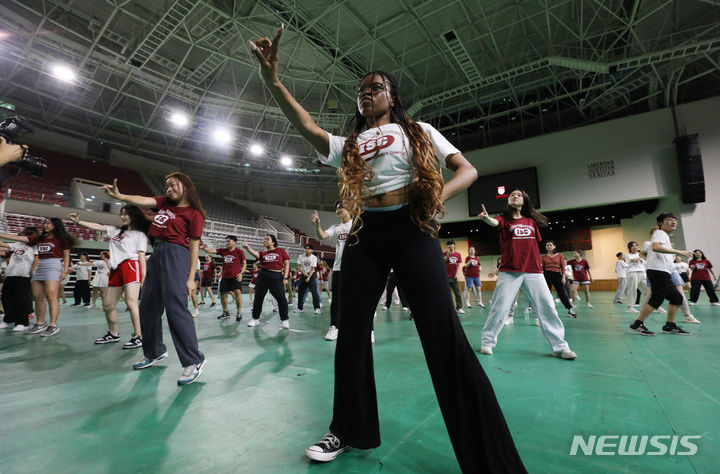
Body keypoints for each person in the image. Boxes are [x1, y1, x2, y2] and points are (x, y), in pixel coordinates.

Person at [251, 26, 525, 472]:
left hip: (411, 228)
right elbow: (307, 127)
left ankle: (489, 458)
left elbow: (468, 170)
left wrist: (437, 197)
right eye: (360, 90)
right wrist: (273, 82)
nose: (365, 94)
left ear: (392, 97)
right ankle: (348, 427)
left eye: (375, 88)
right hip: (364, 234)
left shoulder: (418, 130)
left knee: (443, 336)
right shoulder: (351, 144)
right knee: (351, 333)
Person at [103, 173, 207, 385]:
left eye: (172, 185)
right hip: (157, 253)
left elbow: (194, 247)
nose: (168, 189)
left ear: (185, 186)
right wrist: (121, 196)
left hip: (176, 254)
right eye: (166, 186)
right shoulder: (164, 204)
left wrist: (191, 278)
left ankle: (194, 360)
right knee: (147, 307)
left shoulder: (194, 214)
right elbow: (142, 200)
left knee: (175, 308)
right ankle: (154, 351)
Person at [478, 190, 577, 361]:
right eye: (511, 195)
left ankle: (560, 347)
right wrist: (487, 219)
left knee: (548, 307)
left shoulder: (531, 221)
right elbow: (494, 223)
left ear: (524, 200)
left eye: (518, 194)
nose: (514, 196)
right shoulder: (503, 219)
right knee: (499, 307)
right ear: (508, 201)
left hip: (533, 271)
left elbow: (532, 245)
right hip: (509, 271)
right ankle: (487, 342)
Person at [68, 207, 149, 348]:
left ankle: (139, 336)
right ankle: (113, 334)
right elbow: (99, 227)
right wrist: (79, 221)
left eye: (126, 214)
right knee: (107, 305)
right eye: (121, 214)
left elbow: (141, 257)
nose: (123, 217)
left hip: (131, 266)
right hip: (115, 268)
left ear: (134, 216)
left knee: (131, 303)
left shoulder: (139, 235)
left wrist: (144, 277)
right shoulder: (115, 231)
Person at [0, 218, 74, 336]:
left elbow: (66, 255)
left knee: (51, 296)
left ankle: (53, 325)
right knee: (37, 297)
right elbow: (17, 238)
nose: (45, 225)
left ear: (55, 225)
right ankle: (40, 323)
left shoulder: (62, 239)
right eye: (44, 223)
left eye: (48, 223)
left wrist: (65, 271)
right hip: (40, 266)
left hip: (53, 265)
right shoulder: (39, 238)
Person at [629, 213, 694, 335]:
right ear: (660, 223)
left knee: (677, 297)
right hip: (658, 271)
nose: (673, 222)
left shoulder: (665, 236)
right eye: (669, 220)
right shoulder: (660, 233)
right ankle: (637, 324)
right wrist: (679, 251)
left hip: (663, 272)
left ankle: (669, 326)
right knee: (657, 299)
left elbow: (654, 251)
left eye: (675, 220)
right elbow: (656, 247)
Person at [312, 201, 353, 341]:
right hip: (338, 268)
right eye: (336, 208)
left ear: (350, 208)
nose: (338, 210)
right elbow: (322, 236)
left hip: (356, 268)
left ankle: (367, 329)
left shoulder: (357, 225)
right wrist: (317, 224)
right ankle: (334, 327)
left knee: (359, 300)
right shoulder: (336, 228)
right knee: (336, 301)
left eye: (341, 207)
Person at [242, 234, 290, 328]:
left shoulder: (281, 251)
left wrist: (285, 277)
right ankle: (255, 319)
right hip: (263, 275)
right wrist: (248, 248)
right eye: (264, 239)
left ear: (273, 242)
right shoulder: (263, 253)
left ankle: (285, 319)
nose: (265, 240)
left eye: (267, 239)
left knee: (281, 299)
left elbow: (287, 264)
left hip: (276, 276)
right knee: (258, 298)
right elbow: (256, 254)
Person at [0, 227, 38, 332]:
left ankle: (22, 323)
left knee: (21, 300)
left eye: (23, 233)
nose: (19, 234)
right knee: (6, 298)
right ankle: (9, 320)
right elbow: (3, 244)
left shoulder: (35, 246)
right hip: (11, 274)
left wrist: (32, 271)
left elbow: (36, 259)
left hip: (23, 275)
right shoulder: (16, 244)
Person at [203, 235, 247, 321]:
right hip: (225, 277)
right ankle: (225, 312)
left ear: (234, 242)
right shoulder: (223, 251)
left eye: (229, 241)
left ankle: (239, 313)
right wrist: (203, 247)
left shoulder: (239, 251)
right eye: (226, 241)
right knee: (223, 295)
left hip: (236, 276)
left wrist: (242, 273)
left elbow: (244, 263)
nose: (227, 242)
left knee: (237, 293)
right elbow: (211, 250)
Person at [541, 241, 576, 317]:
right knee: (546, 293)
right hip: (546, 275)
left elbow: (563, 267)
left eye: (550, 245)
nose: (549, 246)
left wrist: (563, 277)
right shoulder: (543, 257)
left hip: (557, 275)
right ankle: (547, 310)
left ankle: (570, 309)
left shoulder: (560, 255)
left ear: (554, 246)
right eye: (547, 245)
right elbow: (542, 268)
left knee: (562, 293)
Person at [295, 244, 321, 314]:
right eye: (305, 248)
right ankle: (299, 308)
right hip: (303, 275)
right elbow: (299, 267)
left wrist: (309, 277)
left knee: (314, 293)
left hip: (311, 276)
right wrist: (305, 274)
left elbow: (313, 269)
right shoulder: (301, 256)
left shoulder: (314, 258)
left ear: (311, 250)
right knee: (300, 293)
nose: (306, 250)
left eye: (308, 248)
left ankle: (317, 308)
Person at [624, 241, 647, 314]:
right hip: (632, 273)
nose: (635, 247)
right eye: (632, 246)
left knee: (648, 290)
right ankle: (630, 307)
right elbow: (633, 260)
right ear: (629, 248)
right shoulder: (628, 255)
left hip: (642, 273)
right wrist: (641, 255)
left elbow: (645, 262)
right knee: (632, 290)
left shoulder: (640, 254)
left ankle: (655, 306)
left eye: (636, 246)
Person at [443, 240, 465, 314]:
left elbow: (459, 264)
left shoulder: (458, 254)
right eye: (448, 245)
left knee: (458, 293)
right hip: (446, 277)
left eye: (451, 244)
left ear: (454, 245)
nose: (450, 246)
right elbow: (443, 262)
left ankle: (459, 308)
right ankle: (447, 308)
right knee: (446, 294)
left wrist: (457, 274)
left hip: (454, 277)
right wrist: (448, 255)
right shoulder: (445, 253)